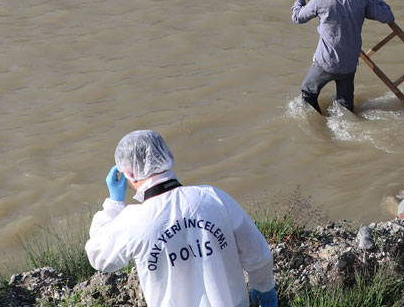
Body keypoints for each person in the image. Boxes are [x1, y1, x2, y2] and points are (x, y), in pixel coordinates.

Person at [85, 130, 278, 307]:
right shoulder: (214, 197)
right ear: (169, 157)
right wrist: (264, 285)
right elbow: (257, 254)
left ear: (128, 173)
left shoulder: (132, 221)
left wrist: (114, 204)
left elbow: (99, 256)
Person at [291, 0, 394, 114]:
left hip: (326, 62)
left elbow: (297, 17)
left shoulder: (320, 1)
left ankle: (320, 124)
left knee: (308, 93)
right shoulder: (360, 0)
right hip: (349, 65)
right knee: (345, 106)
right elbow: (388, 17)